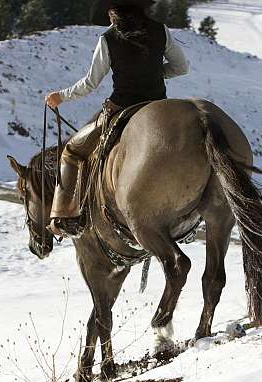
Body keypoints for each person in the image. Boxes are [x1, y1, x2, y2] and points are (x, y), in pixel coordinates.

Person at [45, 0, 189, 234]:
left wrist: (60, 97)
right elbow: (182, 67)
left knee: (72, 151)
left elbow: (90, 83)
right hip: (157, 108)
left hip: (121, 109)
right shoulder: (160, 30)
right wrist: (154, 72)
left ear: (114, 11)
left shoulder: (108, 38)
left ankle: (63, 216)